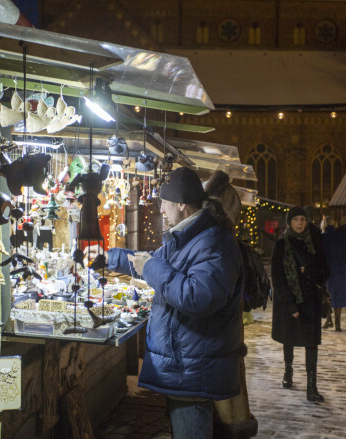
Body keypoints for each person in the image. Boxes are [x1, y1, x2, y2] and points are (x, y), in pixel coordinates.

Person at [90, 166, 245, 438]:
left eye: (164, 202)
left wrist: (151, 269)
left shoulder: (213, 242)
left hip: (194, 370)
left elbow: (197, 297)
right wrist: (107, 256)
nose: (161, 209)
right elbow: (148, 262)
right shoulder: (190, 236)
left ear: (182, 204)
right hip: (186, 364)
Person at [204, 170, 258, 439]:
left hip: (220, 338)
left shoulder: (218, 245)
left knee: (224, 407)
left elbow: (210, 296)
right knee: (230, 393)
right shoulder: (225, 242)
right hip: (226, 337)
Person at [271, 206, 329, 403]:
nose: (300, 223)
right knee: (290, 338)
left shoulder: (315, 242)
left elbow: (325, 272)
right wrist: (290, 305)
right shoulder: (281, 245)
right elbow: (277, 278)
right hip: (290, 300)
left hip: (310, 301)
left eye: (302, 219)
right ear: (290, 222)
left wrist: (309, 270)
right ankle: (288, 371)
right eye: (296, 219)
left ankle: (311, 387)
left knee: (311, 343)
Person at [320, 216, 346, 331]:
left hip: (326, 270)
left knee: (325, 295)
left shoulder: (322, 237)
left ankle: (329, 318)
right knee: (338, 297)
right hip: (340, 270)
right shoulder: (342, 237)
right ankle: (337, 324)